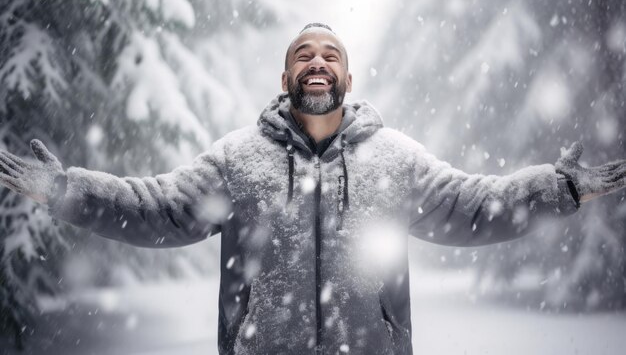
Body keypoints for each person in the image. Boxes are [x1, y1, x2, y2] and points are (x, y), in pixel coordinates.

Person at [0, 22, 625, 355]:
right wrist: (67, 191)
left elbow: (473, 207)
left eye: (330, 54)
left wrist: (556, 189)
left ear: (348, 76)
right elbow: (158, 207)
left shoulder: (394, 158)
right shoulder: (237, 159)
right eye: (305, 54)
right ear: (286, 75)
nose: (318, 62)